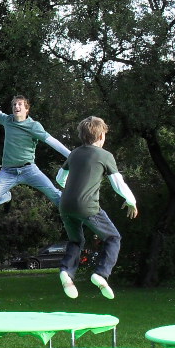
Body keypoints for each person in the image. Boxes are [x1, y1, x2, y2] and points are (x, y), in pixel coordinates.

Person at [55, 116, 138, 300]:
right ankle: (101, 273)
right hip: (88, 207)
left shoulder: (74, 153)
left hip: (65, 205)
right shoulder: (104, 156)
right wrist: (131, 200)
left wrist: (72, 189)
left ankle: (66, 272)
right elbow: (118, 183)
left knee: (76, 240)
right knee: (113, 237)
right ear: (101, 136)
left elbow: (60, 178)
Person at [0, 95, 71, 208]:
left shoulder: (33, 126)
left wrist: (71, 155)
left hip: (29, 170)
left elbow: (52, 141)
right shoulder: (8, 120)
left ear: (27, 109)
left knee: (56, 195)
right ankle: (6, 196)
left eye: (19, 104)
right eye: (14, 104)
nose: (16, 106)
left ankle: (73, 211)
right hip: (7, 172)